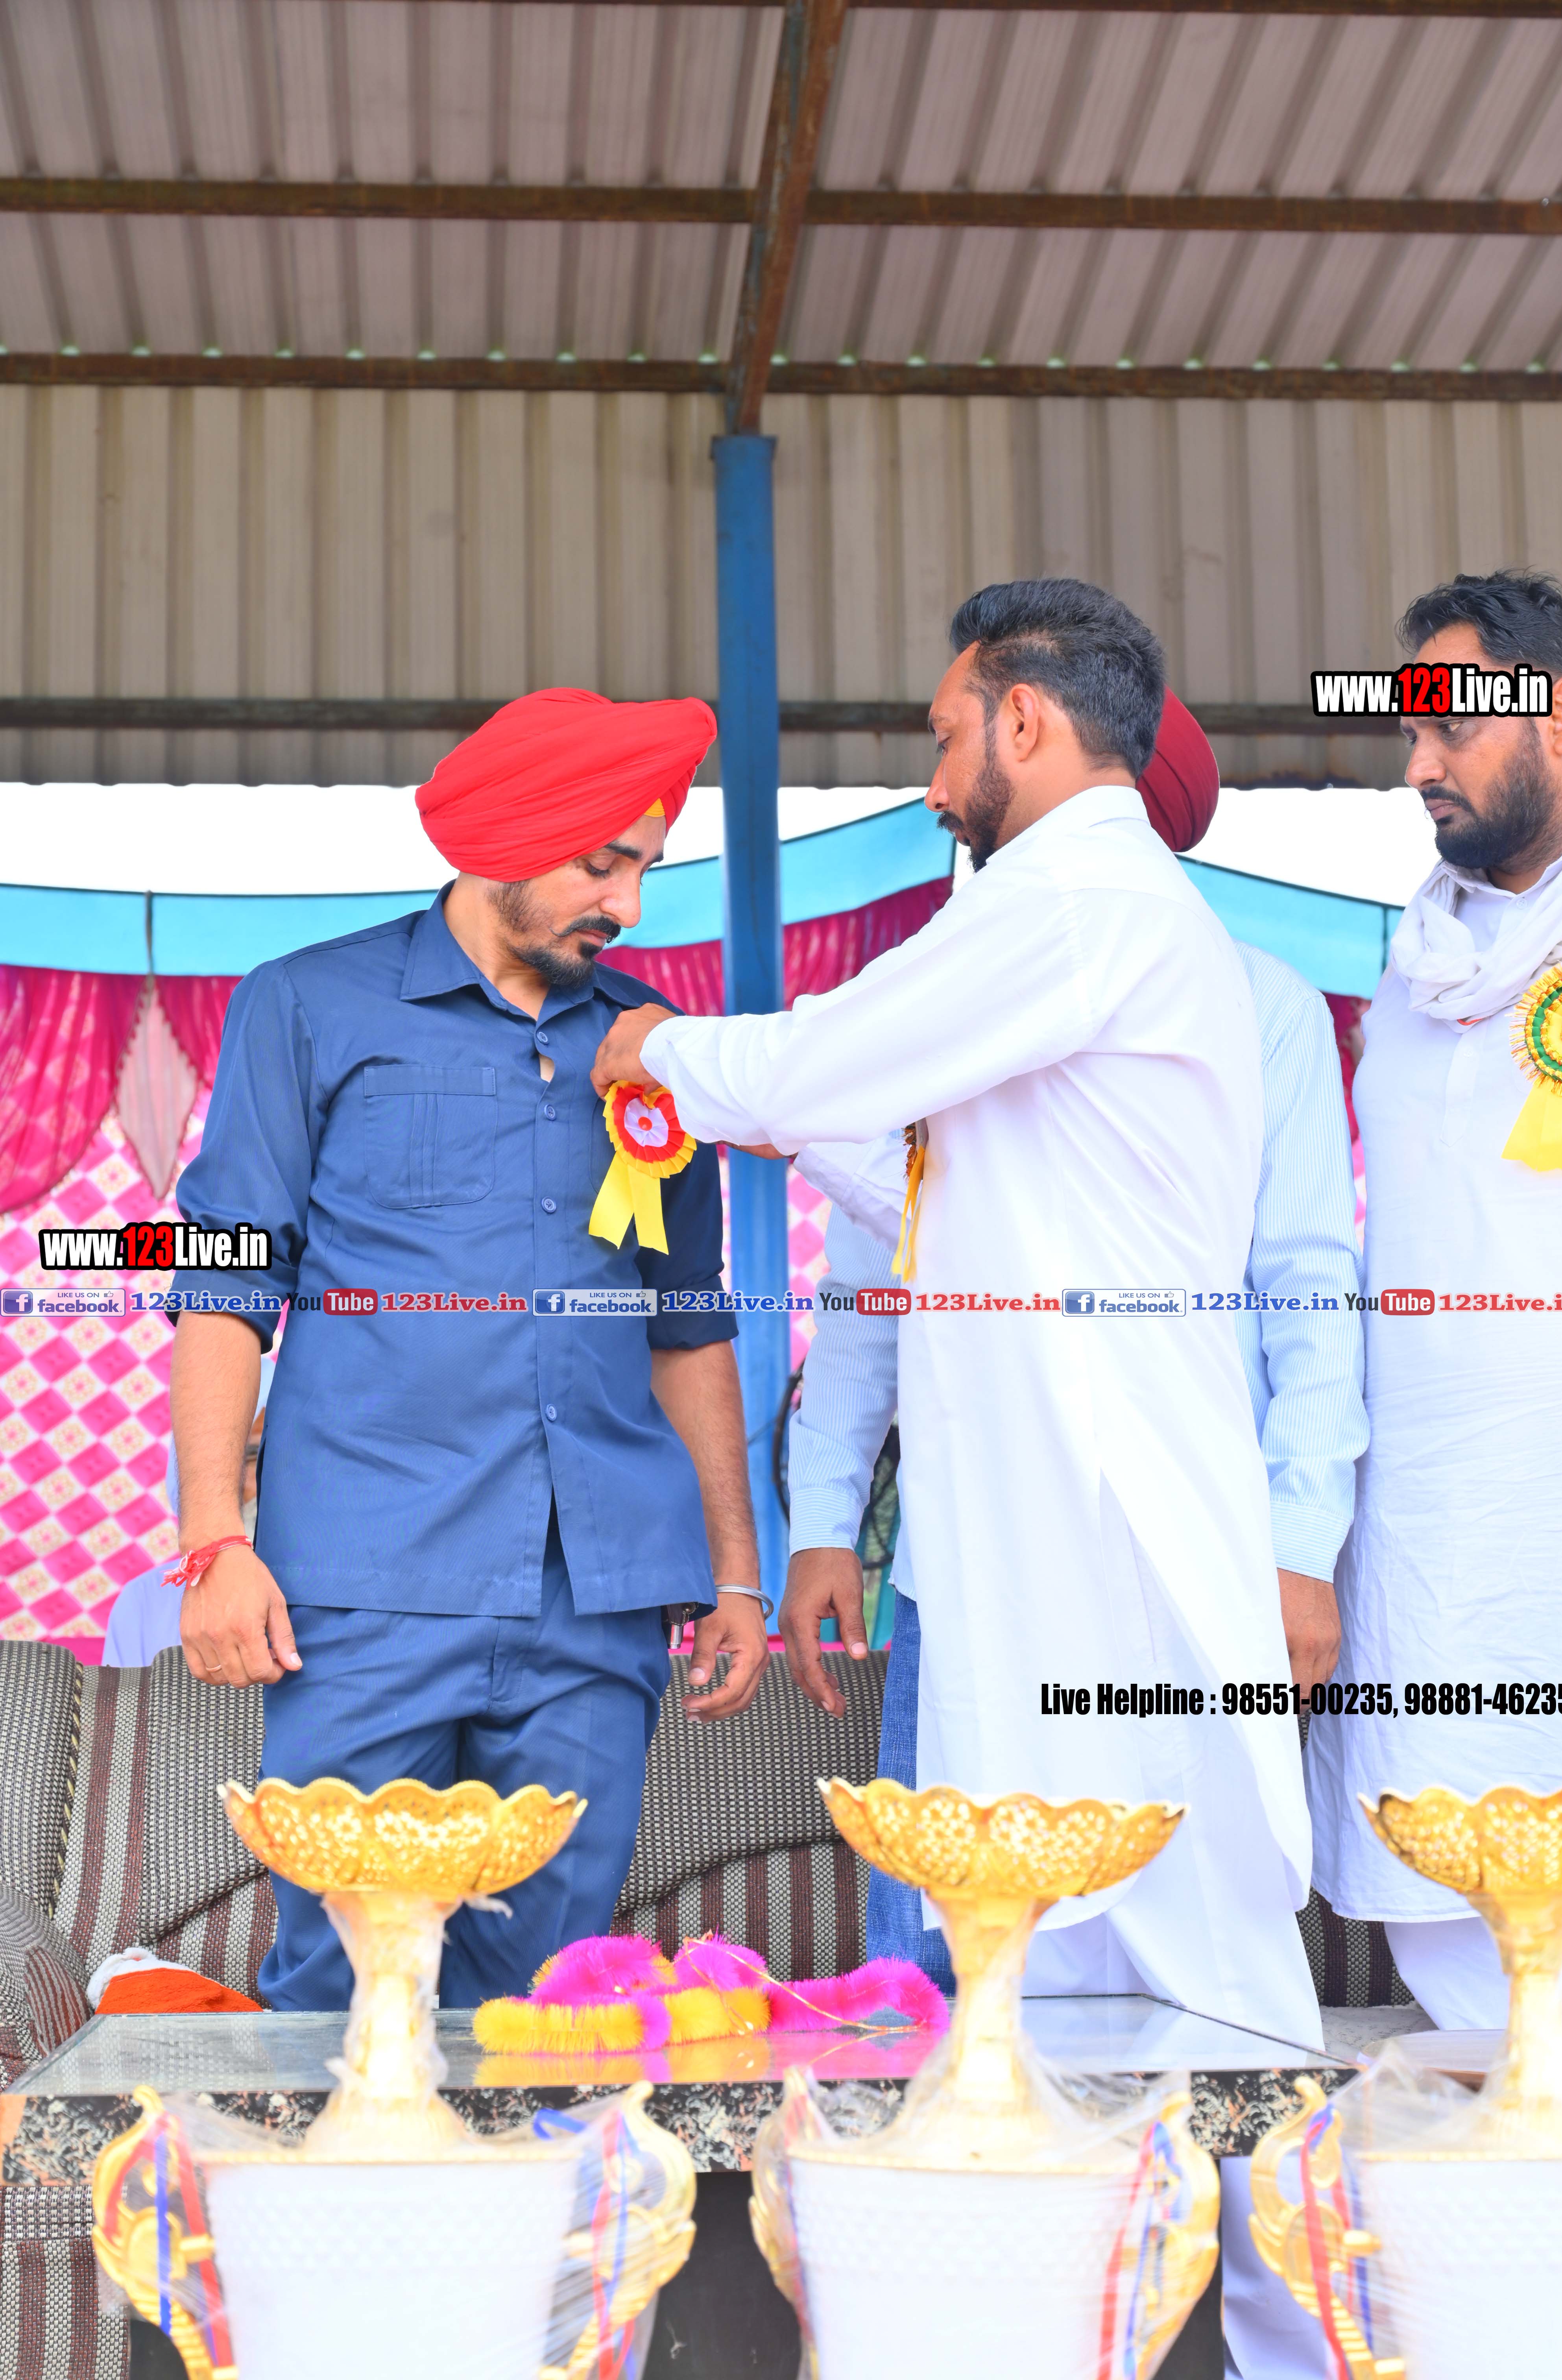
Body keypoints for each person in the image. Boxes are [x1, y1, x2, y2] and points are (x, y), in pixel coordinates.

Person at [592, 579, 1324, 2058]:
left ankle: (1244, 2211)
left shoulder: (1072, 901)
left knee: (1166, 1948)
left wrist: (655, 1046)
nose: (933, 786)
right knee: (1034, 1943)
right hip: (1040, 1496)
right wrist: (786, 1123)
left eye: (943, 738)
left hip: (1099, 1499)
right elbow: (935, 1199)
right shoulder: (1086, 915)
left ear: (1023, 720)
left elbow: (822, 1061)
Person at [169, 688, 770, 2012]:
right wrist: (214, 1540)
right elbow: (221, 1278)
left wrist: (738, 1566)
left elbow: (689, 1320)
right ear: (505, 842)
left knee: (541, 1993)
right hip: (366, 1582)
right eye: (600, 865)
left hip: (597, 1595)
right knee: (347, 1976)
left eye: (644, 869)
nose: (625, 904)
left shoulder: (651, 1045)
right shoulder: (308, 1005)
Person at [786, 696, 1365, 1978]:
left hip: (1178, 1553)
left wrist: (1299, 1542)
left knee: (1184, 1941)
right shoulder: (947, 994)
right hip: (968, 1556)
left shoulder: (1254, 1001)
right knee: (953, 1952)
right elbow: (887, 1270)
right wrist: (824, 1517)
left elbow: (1308, 1281)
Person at [1306, 570, 1562, 2031]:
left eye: (1450, 727)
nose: (1418, 764)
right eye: (1408, 733)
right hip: (1426, 1512)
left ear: (1560, 715)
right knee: (1448, 1898)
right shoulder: (1410, 971)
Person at [102, 1367, 271, 1668]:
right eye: (250, 1456)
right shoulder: (145, 1601)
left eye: (281, 1459)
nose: (267, 1479)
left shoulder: (343, 1595)